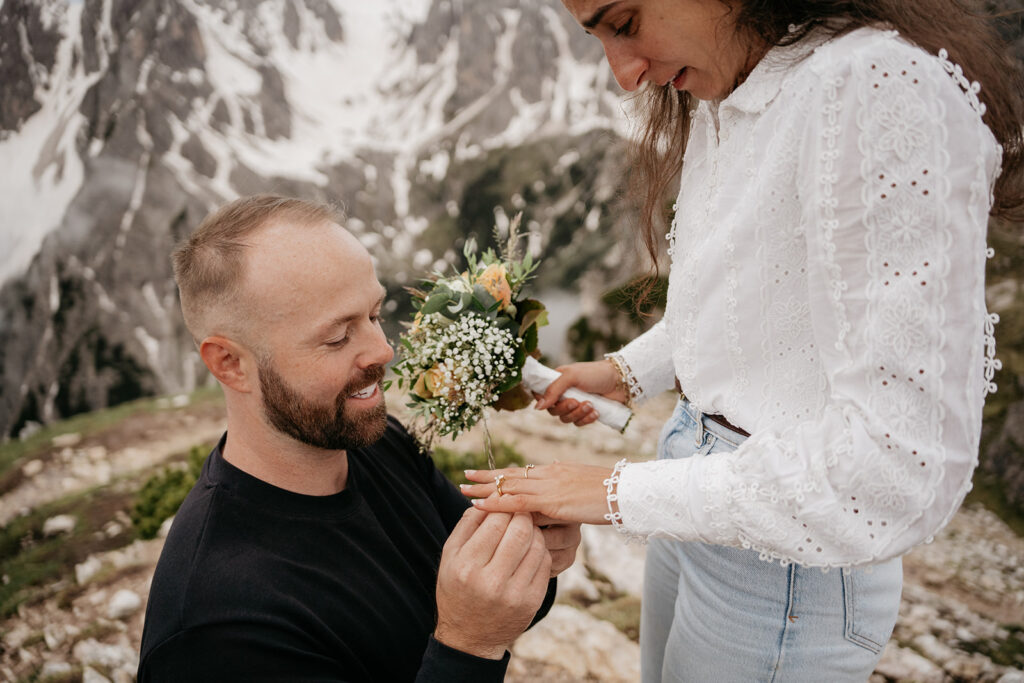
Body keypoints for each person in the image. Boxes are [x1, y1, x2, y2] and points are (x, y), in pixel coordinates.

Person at [463, 1, 1024, 680]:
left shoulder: (871, 87)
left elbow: (892, 468)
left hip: (787, 552)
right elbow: (753, 293)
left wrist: (612, 493)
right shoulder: (733, 77)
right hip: (702, 491)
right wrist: (625, 371)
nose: (624, 74)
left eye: (625, 21)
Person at [138, 194, 581, 682]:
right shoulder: (218, 631)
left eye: (373, 315)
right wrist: (470, 645)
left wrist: (531, 561)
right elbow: (475, 633)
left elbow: (497, 606)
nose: (383, 349)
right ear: (230, 364)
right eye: (336, 337)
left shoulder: (375, 440)